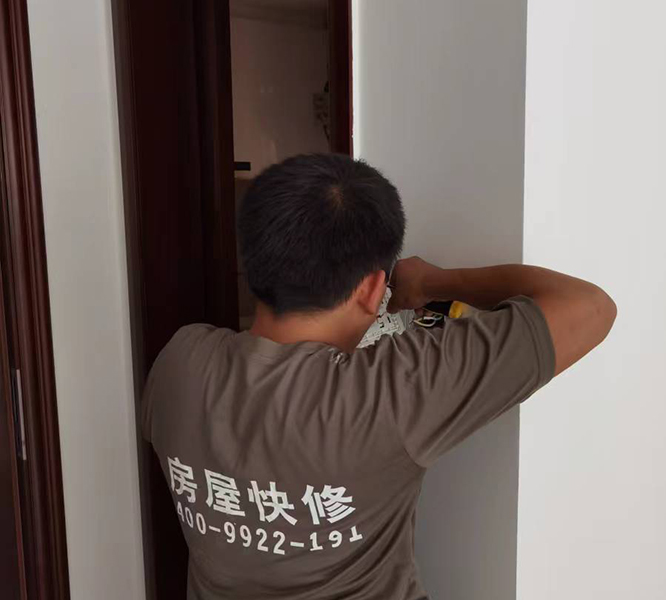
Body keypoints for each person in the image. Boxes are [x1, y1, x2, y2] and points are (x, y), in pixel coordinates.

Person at [142, 153, 616, 600]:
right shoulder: (389, 394)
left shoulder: (179, 364)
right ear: (373, 288)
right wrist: (433, 283)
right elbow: (591, 308)